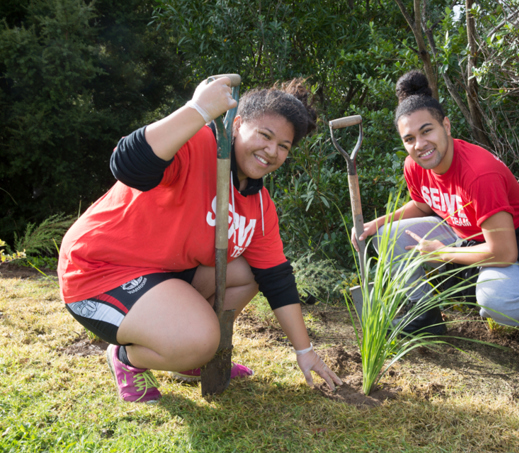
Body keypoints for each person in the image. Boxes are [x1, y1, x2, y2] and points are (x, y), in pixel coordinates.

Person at [58, 75, 343, 403]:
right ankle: (129, 359)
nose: (272, 151)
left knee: (251, 271)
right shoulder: (198, 144)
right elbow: (126, 164)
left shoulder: (260, 208)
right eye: (264, 135)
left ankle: (186, 358)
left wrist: (304, 351)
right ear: (236, 125)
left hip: (161, 276)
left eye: (283, 146)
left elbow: (277, 278)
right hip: (98, 272)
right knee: (200, 339)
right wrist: (197, 109)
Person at [354, 70, 519, 368]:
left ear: (446, 126)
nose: (419, 144)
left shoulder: (479, 173)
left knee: (496, 299)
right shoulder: (415, 165)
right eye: (409, 138)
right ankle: (425, 316)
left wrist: (442, 253)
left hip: (516, 239)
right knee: (388, 236)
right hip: (463, 231)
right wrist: (379, 222)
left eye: (427, 131)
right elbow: (424, 205)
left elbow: (504, 252)